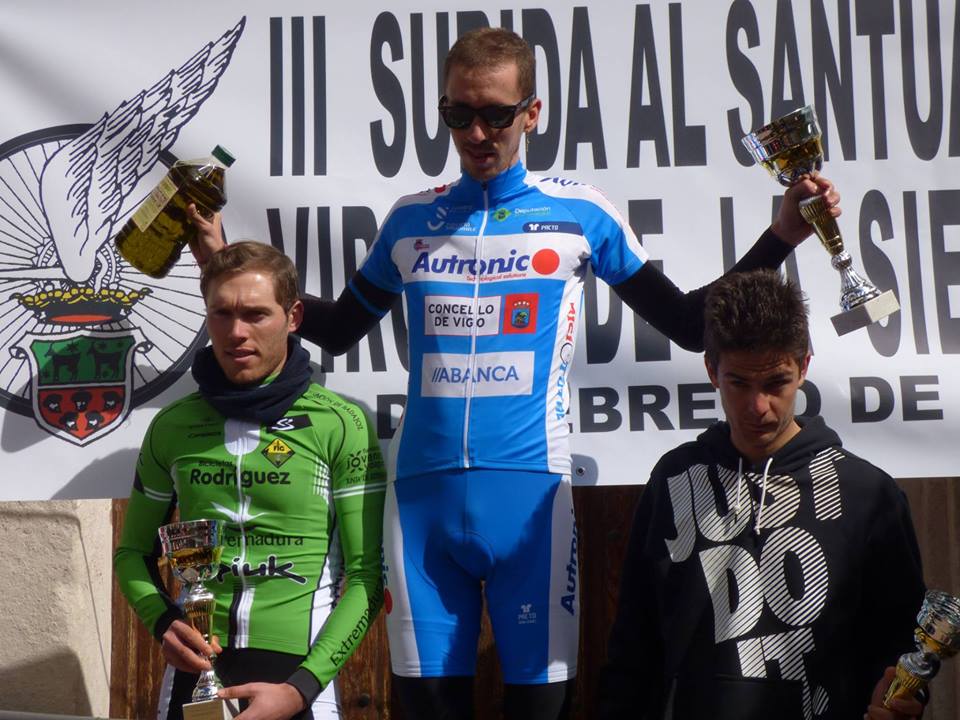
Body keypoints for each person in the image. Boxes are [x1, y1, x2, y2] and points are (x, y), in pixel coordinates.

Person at [187, 27, 841, 720]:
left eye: (496, 114)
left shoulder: (579, 213)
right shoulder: (411, 219)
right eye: (458, 114)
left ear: (533, 112)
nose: (477, 131)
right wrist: (219, 259)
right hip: (423, 502)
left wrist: (781, 238)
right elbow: (339, 328)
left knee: (541, 709)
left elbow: (685, 323)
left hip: (531, 495)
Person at [598, 269, 926, 720]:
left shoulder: (870, 495)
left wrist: (906, 702)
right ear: (712, 370)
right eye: (739, 383)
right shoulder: (673, 478)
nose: (758, 407)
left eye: (775, 383)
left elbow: (900, 647)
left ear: (804, 365)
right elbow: (634, 645)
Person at [115, 242, 386, 720]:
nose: (236, 332)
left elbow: (364, 577)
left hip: (299, 678)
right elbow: (132, 554)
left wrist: (301, 688)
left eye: (256, 315)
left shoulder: (341, 423)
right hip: (193, 675)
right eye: (221, 313)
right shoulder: (172, 426)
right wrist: (161, 622)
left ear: (294, 316)